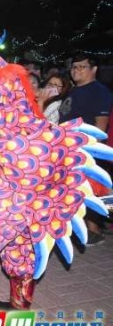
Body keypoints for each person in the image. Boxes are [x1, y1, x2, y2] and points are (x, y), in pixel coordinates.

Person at [58, 54, 113, 245]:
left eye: (81, 67)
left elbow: (101, 126)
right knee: (75, 189)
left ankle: (94, 230)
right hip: (67, 148)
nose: (76, 70)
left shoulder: (99, 91)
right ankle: (83, 227)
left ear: (94, 69)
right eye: (74, 67)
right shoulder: (72, 91)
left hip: (86, 149)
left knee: (89, 188)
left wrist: (92, 151)